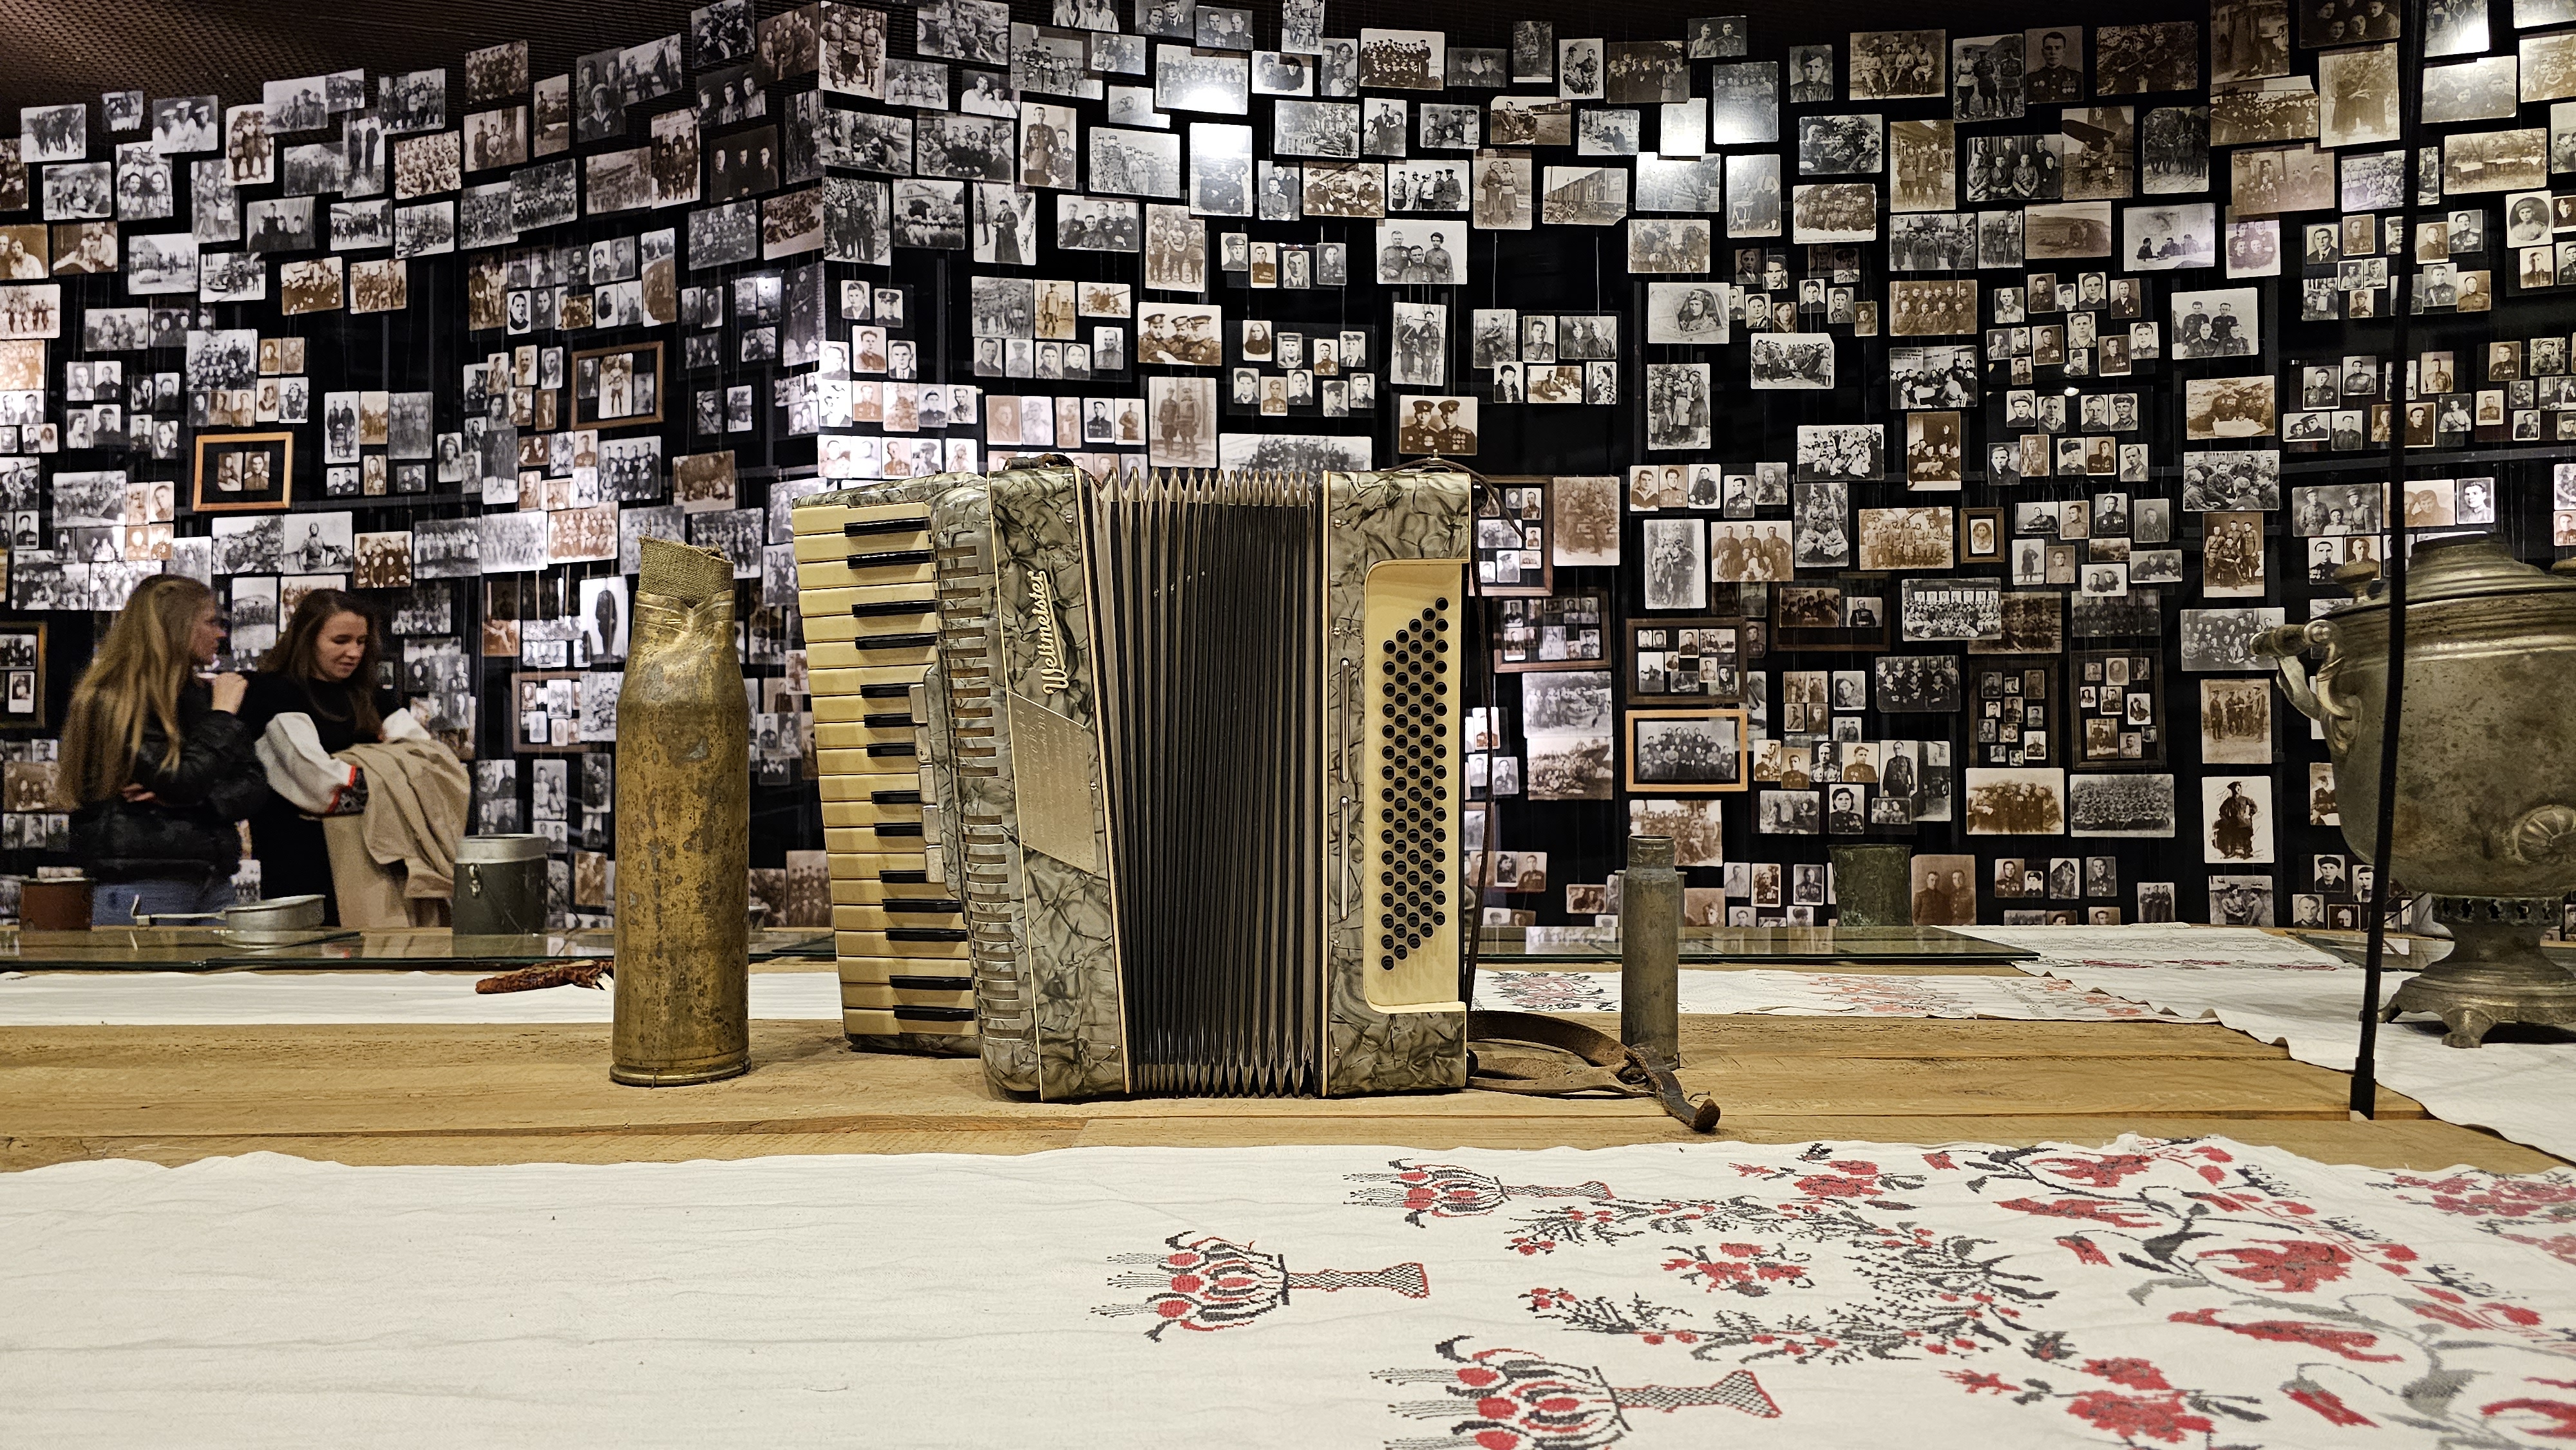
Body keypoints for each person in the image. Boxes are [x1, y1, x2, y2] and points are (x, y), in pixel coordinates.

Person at [62, 576, 269, 923]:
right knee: (149, 981)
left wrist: (194, 798)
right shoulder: (114, 699)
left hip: (214, 883)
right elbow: (181, 780)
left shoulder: (202, 696)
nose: (221, 634)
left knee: (234, 979)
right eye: (210, 622)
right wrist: (220, 718)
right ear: (174, 625)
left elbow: (255, 787)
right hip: (142, 887)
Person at [238, 591, 400, 923]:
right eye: (340, 640)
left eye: (362, 641)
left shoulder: (371, 696)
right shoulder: (271, 693)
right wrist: (387, 771)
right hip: (297, 862)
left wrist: (368, 770)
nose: (354, 652)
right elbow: (318, 784)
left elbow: (426, 759)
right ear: (307, 638)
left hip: (372, 860)